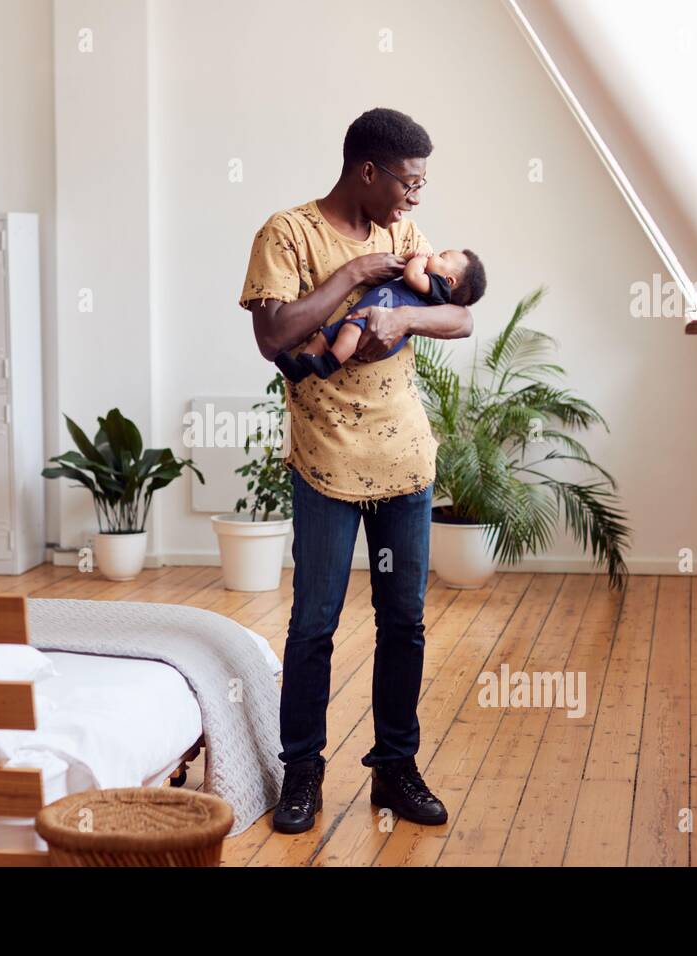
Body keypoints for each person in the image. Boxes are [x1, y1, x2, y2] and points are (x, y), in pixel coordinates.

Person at [238, 107, 475, 834]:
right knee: (313, 624)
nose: (415, 198)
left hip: (404, 460)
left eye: (422, 184)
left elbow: (460, 316)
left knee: (402, 622)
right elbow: (274, 335)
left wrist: (402, 320)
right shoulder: (287, 233)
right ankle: (301, 774)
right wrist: (351, 274)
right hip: (325, 461)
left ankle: (395, 771)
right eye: (408, 182)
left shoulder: (407, 236)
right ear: (367, 172)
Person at [274, 247, 486, 382]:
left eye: (442, 257)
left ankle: (328, 363)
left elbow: (412, 276)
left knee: (349, 331)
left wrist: (419, 260)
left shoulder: (438, 286)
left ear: (450, 281)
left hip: (371, 321)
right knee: (326, 335)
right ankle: (299, 367)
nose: (434, 253)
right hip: (362, 312)